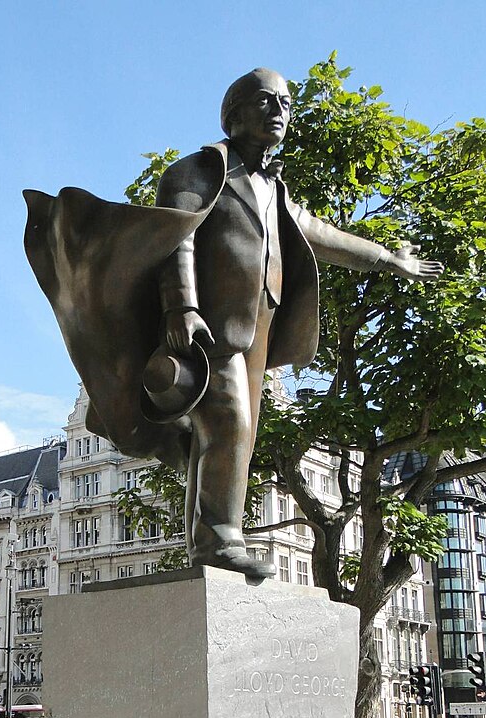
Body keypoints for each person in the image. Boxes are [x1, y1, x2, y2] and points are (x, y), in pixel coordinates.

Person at [24, 68, 443, 579]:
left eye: (286, 103)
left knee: (223, 440)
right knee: (230, 425)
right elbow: (175, 238)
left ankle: (206, 545)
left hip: (258, 330)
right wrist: (181, 307)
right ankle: (221, 541)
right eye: (265, 100)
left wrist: (387, 258)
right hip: (209, 328)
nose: (279, 111)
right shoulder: (197, 172)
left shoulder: (273, 188)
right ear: (234, 113)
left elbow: (319, 234)